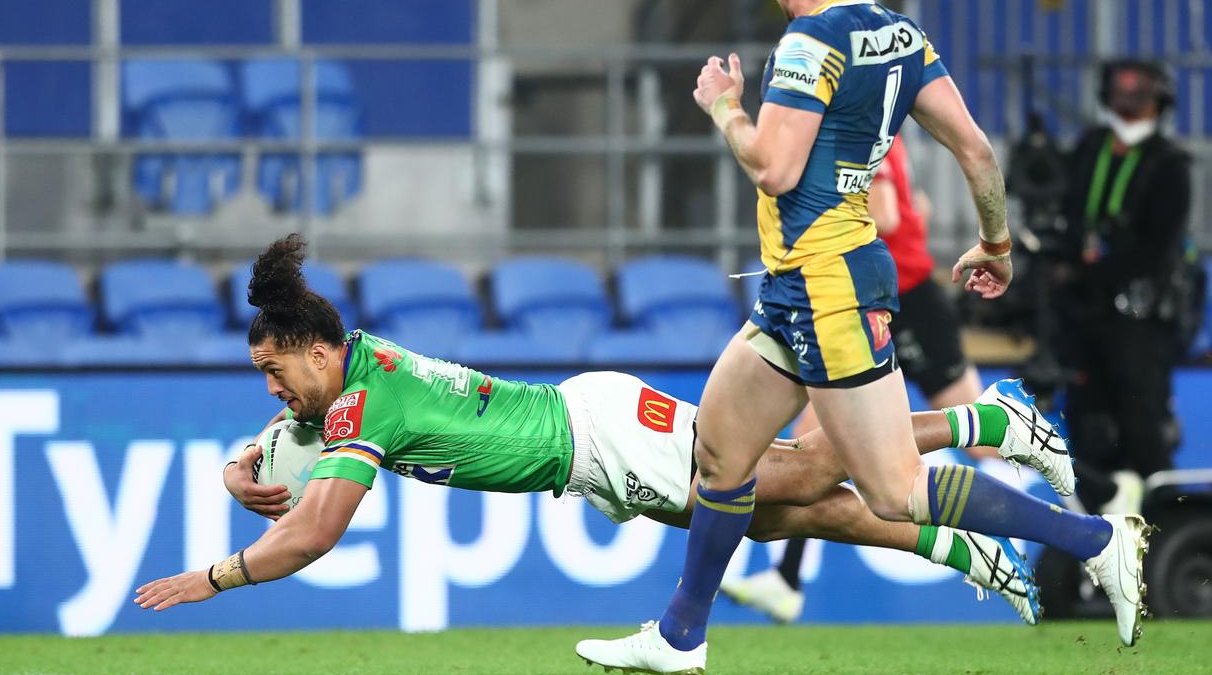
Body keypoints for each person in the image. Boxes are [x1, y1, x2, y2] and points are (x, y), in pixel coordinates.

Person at [574, 0, 1148, 674]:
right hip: (798, 288)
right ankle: (680, 634)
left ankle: (1094, 541)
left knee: (894, 487)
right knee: (720, 457)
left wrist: (725, 105)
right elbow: (975, 149)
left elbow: (773, 169)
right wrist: (996, 243)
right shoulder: (901, 34)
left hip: (828, 288)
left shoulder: (809, 42)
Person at [135, 234, 1067, 625]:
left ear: (311, 349)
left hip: (606, 440)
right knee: (792, 514)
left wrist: (213, 575)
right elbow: (286, 436)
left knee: (807, 475)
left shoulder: (363, 405)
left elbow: (313, 532)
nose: (271, 389)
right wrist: (235, 467)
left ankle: (991, 418)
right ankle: (965, 552)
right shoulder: (355, 364)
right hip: (595, 431)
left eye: (272, 370)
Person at [721, 134, 1004, 623]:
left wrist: (817, 221)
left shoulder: (859, 136)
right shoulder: (871, 130)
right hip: (866, 300)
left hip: (907, 301)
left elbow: (890, 214)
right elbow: (920, 207)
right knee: (809, 441)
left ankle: (1088, 492)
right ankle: (786, 579)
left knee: (984, 440)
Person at [1053, 60, 1192, 516]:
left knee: (1142, 430)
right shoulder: (1089, 147)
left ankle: (1165, 535)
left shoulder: (1170, 165)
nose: (1129, 105)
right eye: (1121, 94)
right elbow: (1068, 216)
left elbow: (1157, 248)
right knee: (1087, 429)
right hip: (1083, 318)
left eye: (1141, 96)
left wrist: (1092, 272)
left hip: (1140, 322)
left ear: (1160, 103)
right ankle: (1096, 537)